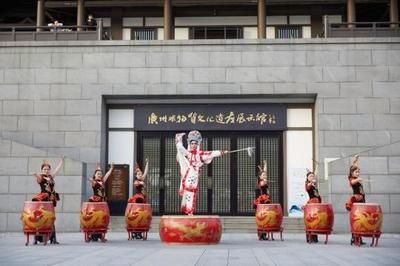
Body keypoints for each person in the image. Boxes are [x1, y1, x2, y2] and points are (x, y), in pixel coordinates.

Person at [175, 130, 226, 215]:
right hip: (189, 176)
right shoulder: (188, 154)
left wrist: (222, 152)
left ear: (198, 144)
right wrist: (178, 138)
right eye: (192, 143)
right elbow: (180, 148)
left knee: (192, 192)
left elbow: (211, 153)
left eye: (195, 143)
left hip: (194, 176)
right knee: (189, 192)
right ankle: (189, 211)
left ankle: (189, 211)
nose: (194, 145)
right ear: (190, 144)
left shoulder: (200, 154)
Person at [32, 157, 64, 244]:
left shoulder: (51, 177)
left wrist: (61, 162)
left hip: (51, 200)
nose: (46, 170)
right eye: (44, 169)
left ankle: (53, 238)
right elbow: (37, 177)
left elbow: (57, 171)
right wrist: (37, 174)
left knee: (51, 218)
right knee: (42, 218)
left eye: (48, 169)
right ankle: (36, 238)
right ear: (42, 170)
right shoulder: (41, 178)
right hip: (43, 200)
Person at [87, 163, 114, 241]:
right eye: (98, 174)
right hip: (96, 202)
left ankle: (100, 235)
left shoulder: (102, 181)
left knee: (101, 218)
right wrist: (91, 180)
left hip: (102, 202)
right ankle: (92, 234)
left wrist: (111, 169)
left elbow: (107, 175)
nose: (99, 175)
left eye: (100, 174)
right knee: (95, 218)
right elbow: (90, 180)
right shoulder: (94, 182)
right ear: (95, 175)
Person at [345, 155, 366, 245]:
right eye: (356, 172)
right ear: (352, 173)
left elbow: (355, 167)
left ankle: (359, 239)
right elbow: (352, 182)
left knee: (361, 220)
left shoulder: (356, 179)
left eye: (358, 172)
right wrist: (358, 179)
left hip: (362, 201)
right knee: (357, 220)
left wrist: (356, 160)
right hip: (357, 202)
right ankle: (354, 239)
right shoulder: (352, 179)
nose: (358, 173)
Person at [127, 158, 149, 239]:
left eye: (141, 174)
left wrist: (147, 164)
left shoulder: (141, 180)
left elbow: (145, 173)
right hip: (138, 199)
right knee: (138, 215)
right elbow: (136, 184)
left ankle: (139, 232)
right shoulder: (136, 181)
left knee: (142, 217)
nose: (140, 175)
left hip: (143, 199)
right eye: (139, 174)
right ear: (136, 176)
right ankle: (136, 232)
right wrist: (141, 182)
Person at [252, 160, 271, 240]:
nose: (265, 176)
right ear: (260, 177)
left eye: (265, 175)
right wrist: (264, 180)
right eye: (263, 175)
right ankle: (261, 234)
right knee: (263, 216)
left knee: (266, 217)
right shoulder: (261, 182)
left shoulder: (263, 179)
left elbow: (265, 172)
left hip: (266, 198)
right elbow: (262, 183)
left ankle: (264, 234)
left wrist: (265, 164)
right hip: (263, 199)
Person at [304, 169, 321, 243]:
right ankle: (309, 237)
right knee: (311, 220)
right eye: (310, 176)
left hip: (317, 203)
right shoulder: (308, 184)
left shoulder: (314, 185)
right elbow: (308, 186)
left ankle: (315, 236)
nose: (312, 177)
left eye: (313, 176)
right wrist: (311, 182)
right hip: (312, 204)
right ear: (307, 178)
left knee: (316, 221)